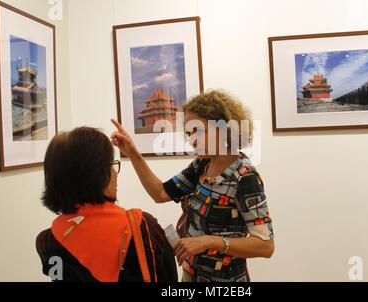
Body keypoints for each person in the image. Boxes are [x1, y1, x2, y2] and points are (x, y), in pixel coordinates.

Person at [111, 90, 274, 282]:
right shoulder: (203, 164)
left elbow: (265, 245)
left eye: (199, 131)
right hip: (191, 274)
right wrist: (131, 151)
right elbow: (160, 193)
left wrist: (210, 241)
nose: (192, 140)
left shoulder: (245, 177)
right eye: (189, 133)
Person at [36, 127, 177, 282]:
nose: (115, 173)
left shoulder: (46, 241)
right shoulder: (142, 226)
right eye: (111, 165)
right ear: (96, 175)